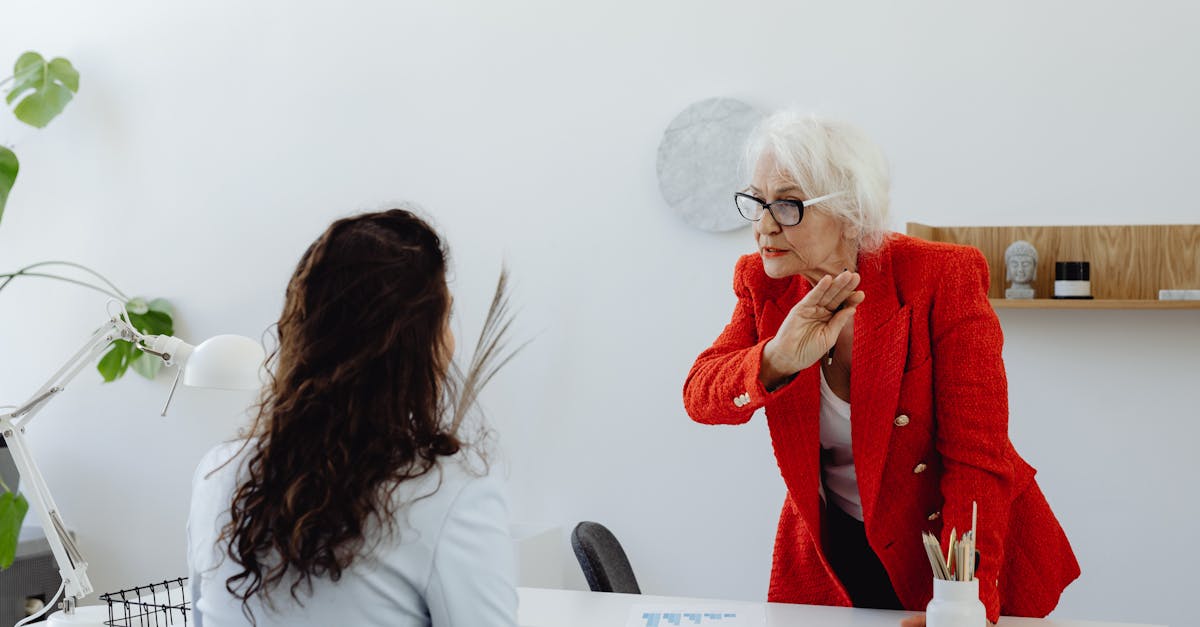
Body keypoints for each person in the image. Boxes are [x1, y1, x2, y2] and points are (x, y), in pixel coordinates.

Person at [683, 112, 1079, 626]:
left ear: (851, 211)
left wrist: (963, 601)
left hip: (948, 551)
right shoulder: (765, 284)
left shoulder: (941, 276)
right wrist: (777, 357)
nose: (763, 226)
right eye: (757, 202)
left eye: (787, 204)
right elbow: (700, 397)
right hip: (833, 553)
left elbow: (977, 461)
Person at [187, 209, 517, 627]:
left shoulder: (217, 474)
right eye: (445, 318)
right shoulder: (449, 494)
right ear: (415, 346)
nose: (452, 340)